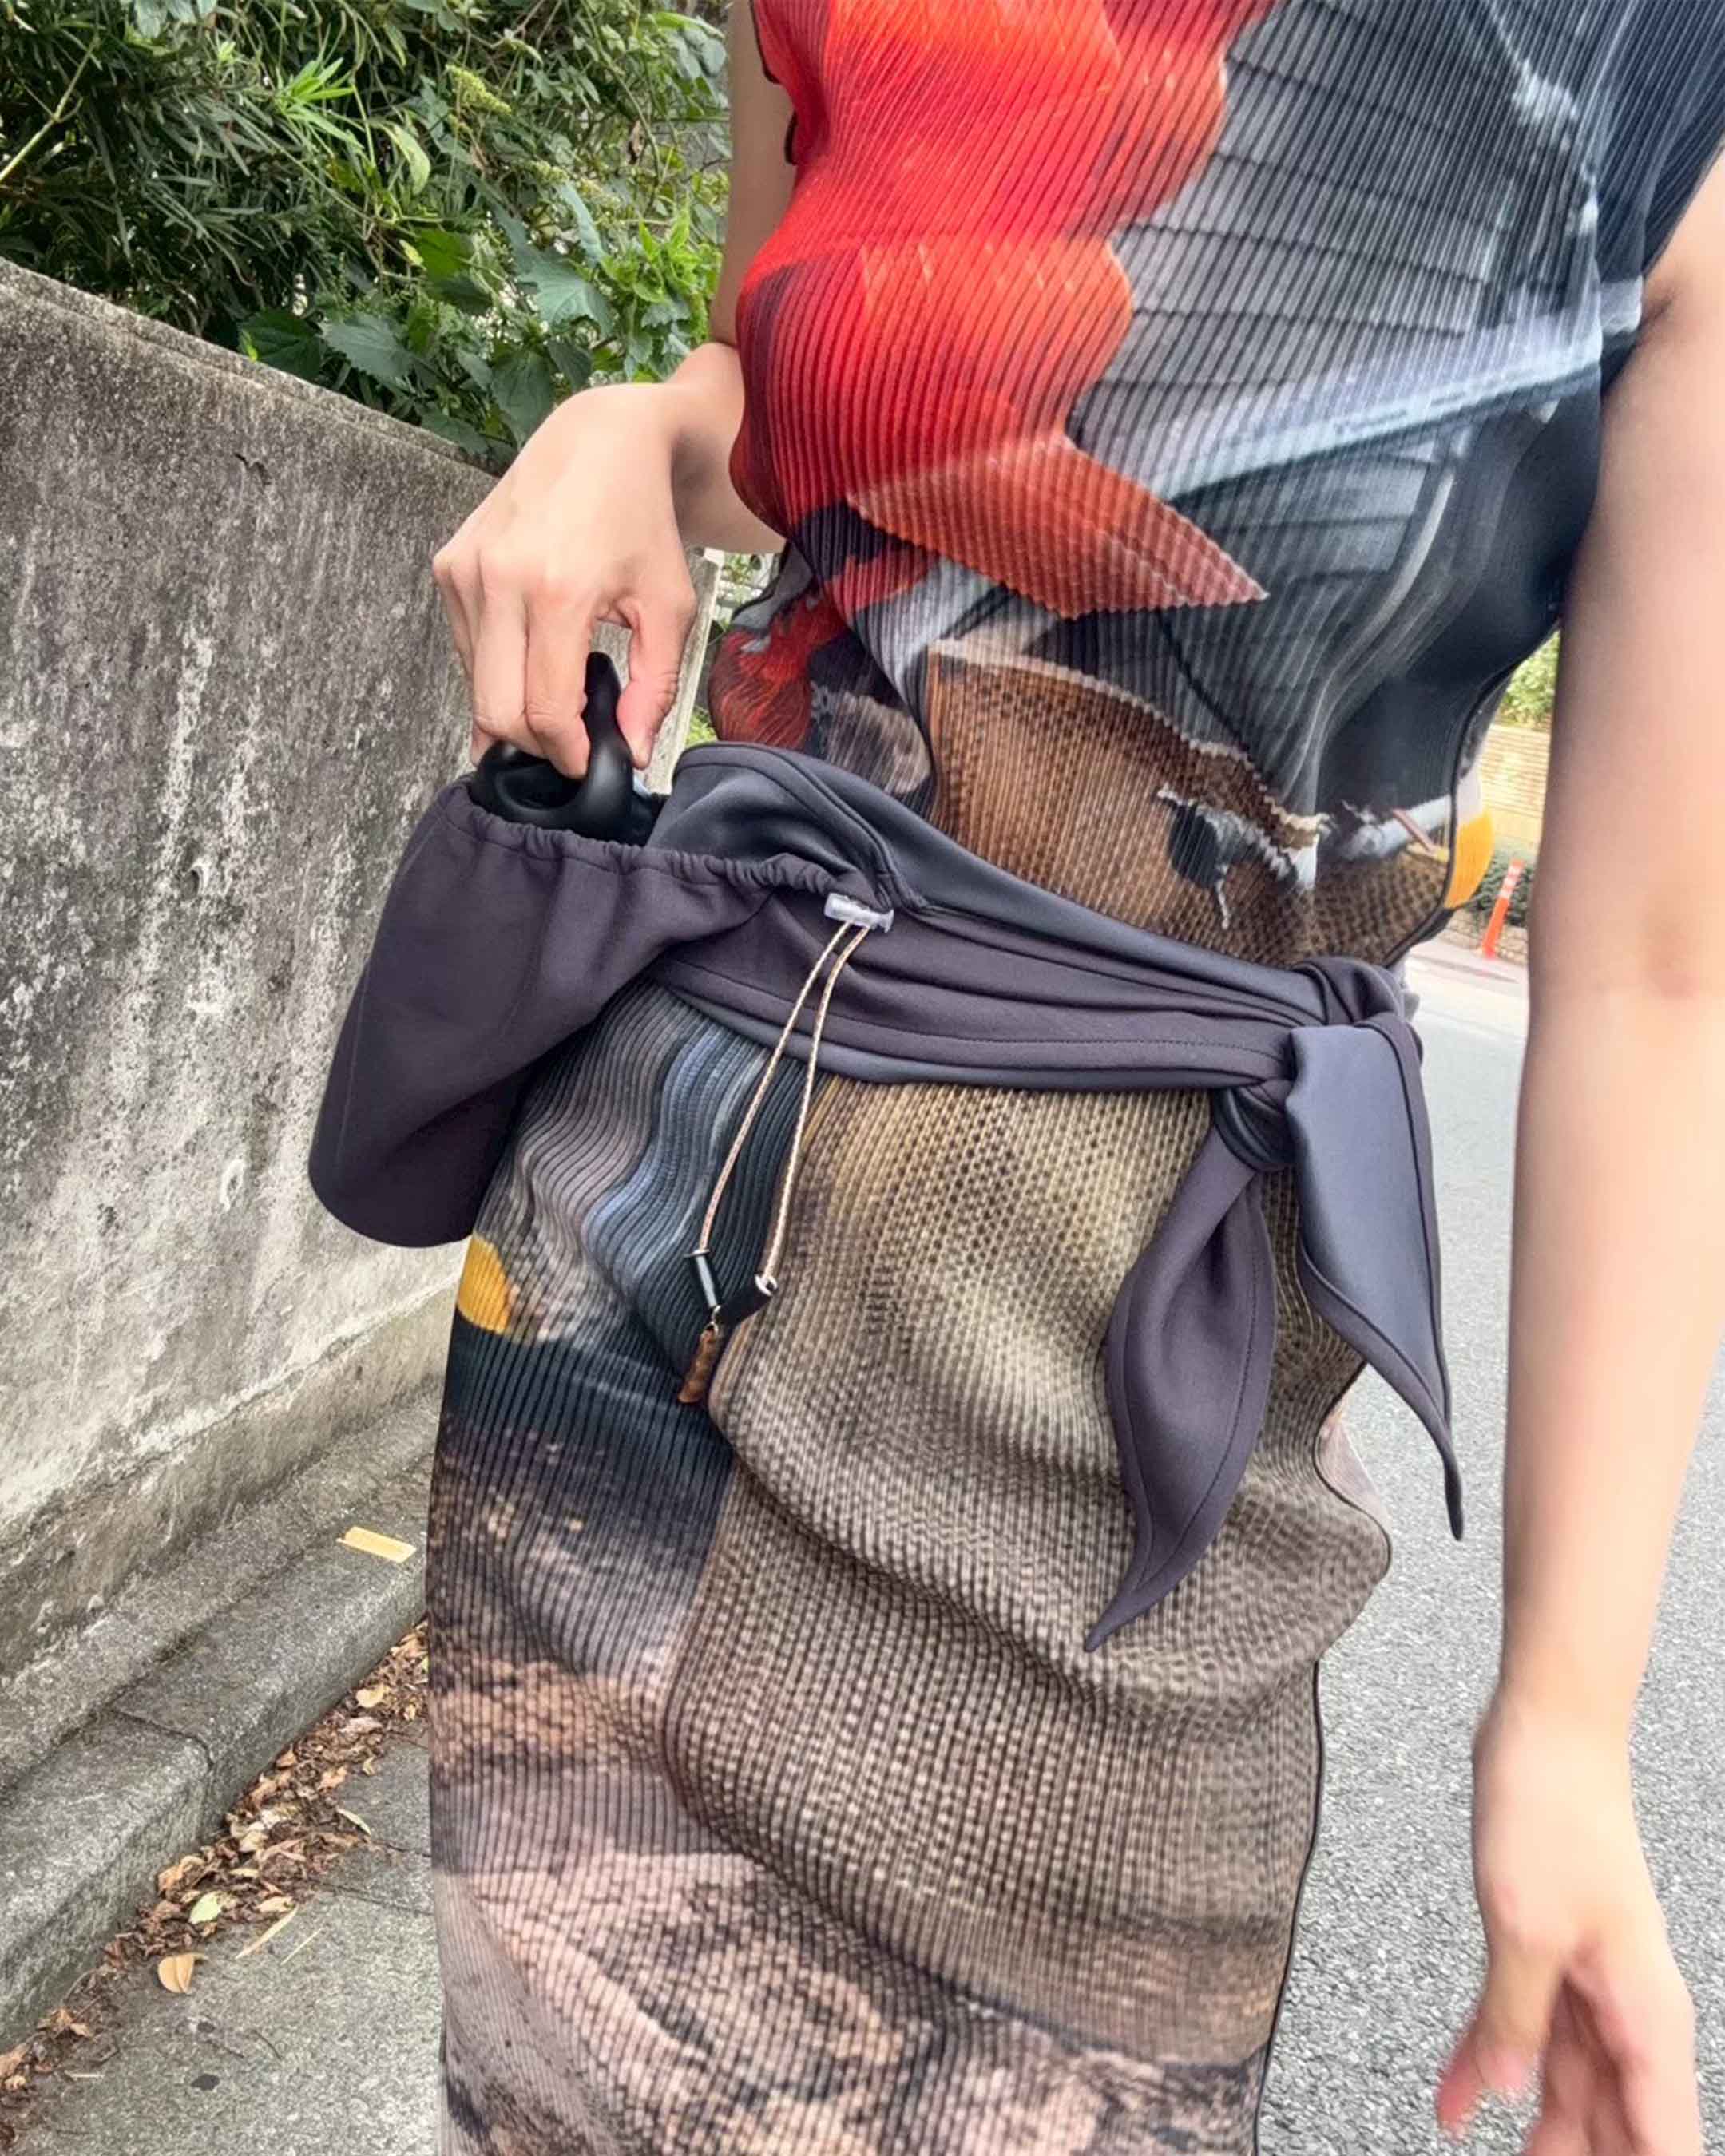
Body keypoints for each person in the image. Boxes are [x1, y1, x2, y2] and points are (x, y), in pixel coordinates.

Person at [419, 2, 1725, 2147]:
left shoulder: (1663, 72)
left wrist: (1571, 1719)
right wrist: (633, 426)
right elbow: (794, 421)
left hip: (1154, 1464)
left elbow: (1661, 974)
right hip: (648, 1305)